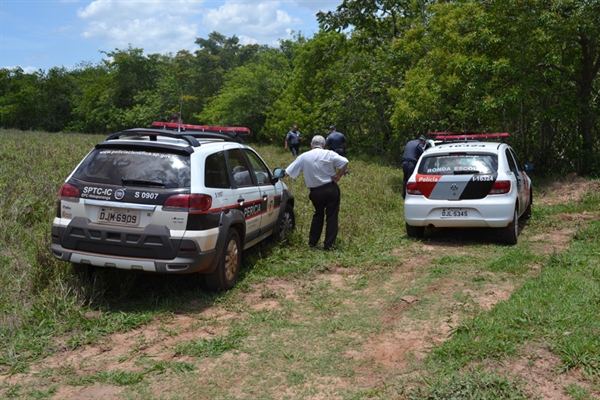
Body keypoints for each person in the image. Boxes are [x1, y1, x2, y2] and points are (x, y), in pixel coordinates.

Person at [285, 135, 348, 251]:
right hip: (331, 188)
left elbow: (287, 172)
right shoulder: (329, 154)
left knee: (318, 215)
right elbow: (344, 162)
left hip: (316, 192)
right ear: (323, 145)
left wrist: (276, 176)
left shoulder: (303, 157)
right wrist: (339, 175)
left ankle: (312, 243)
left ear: (311, 144)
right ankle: (329, 245)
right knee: (332, 217)